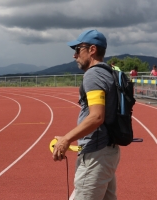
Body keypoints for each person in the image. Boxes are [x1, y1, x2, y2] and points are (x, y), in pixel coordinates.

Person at [52, 30, 120, 200]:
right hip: (107, 152)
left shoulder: (93, 74)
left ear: (92, 50)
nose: (74, 55)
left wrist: (66, 139)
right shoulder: (109, 72)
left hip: (95, 155)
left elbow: (97, 116)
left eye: (77, 49)